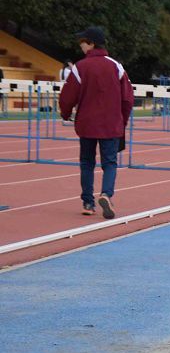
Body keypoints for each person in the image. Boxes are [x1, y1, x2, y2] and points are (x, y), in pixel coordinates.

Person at [58, 26, 134, 220]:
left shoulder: (79, 68)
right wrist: (121, 120)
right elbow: (127, 98)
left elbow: (67, 97)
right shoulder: (116, 67)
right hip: (111, 124)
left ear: (91, 43)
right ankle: (106, 194)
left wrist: (65, 114)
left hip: (87, 124)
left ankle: (88, 203)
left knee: (86, 163)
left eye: (82, 42)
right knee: (110, 163)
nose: (81, 46)